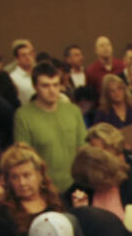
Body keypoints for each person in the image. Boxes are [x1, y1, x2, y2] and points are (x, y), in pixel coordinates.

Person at [13, 63, 87, 192]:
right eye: (45, 85)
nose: (52, 90)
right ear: (35, 87)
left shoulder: (73, 110)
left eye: (56, 85)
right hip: (44, 188)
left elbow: (83, 148)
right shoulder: (23, 115)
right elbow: (24, 157)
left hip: (76, 185)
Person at [9, 39, 36, 106]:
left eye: (30, 54)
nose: (28, 57)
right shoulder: (13, 78)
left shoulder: (38, 73)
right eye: (24, 55)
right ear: (16, 58)